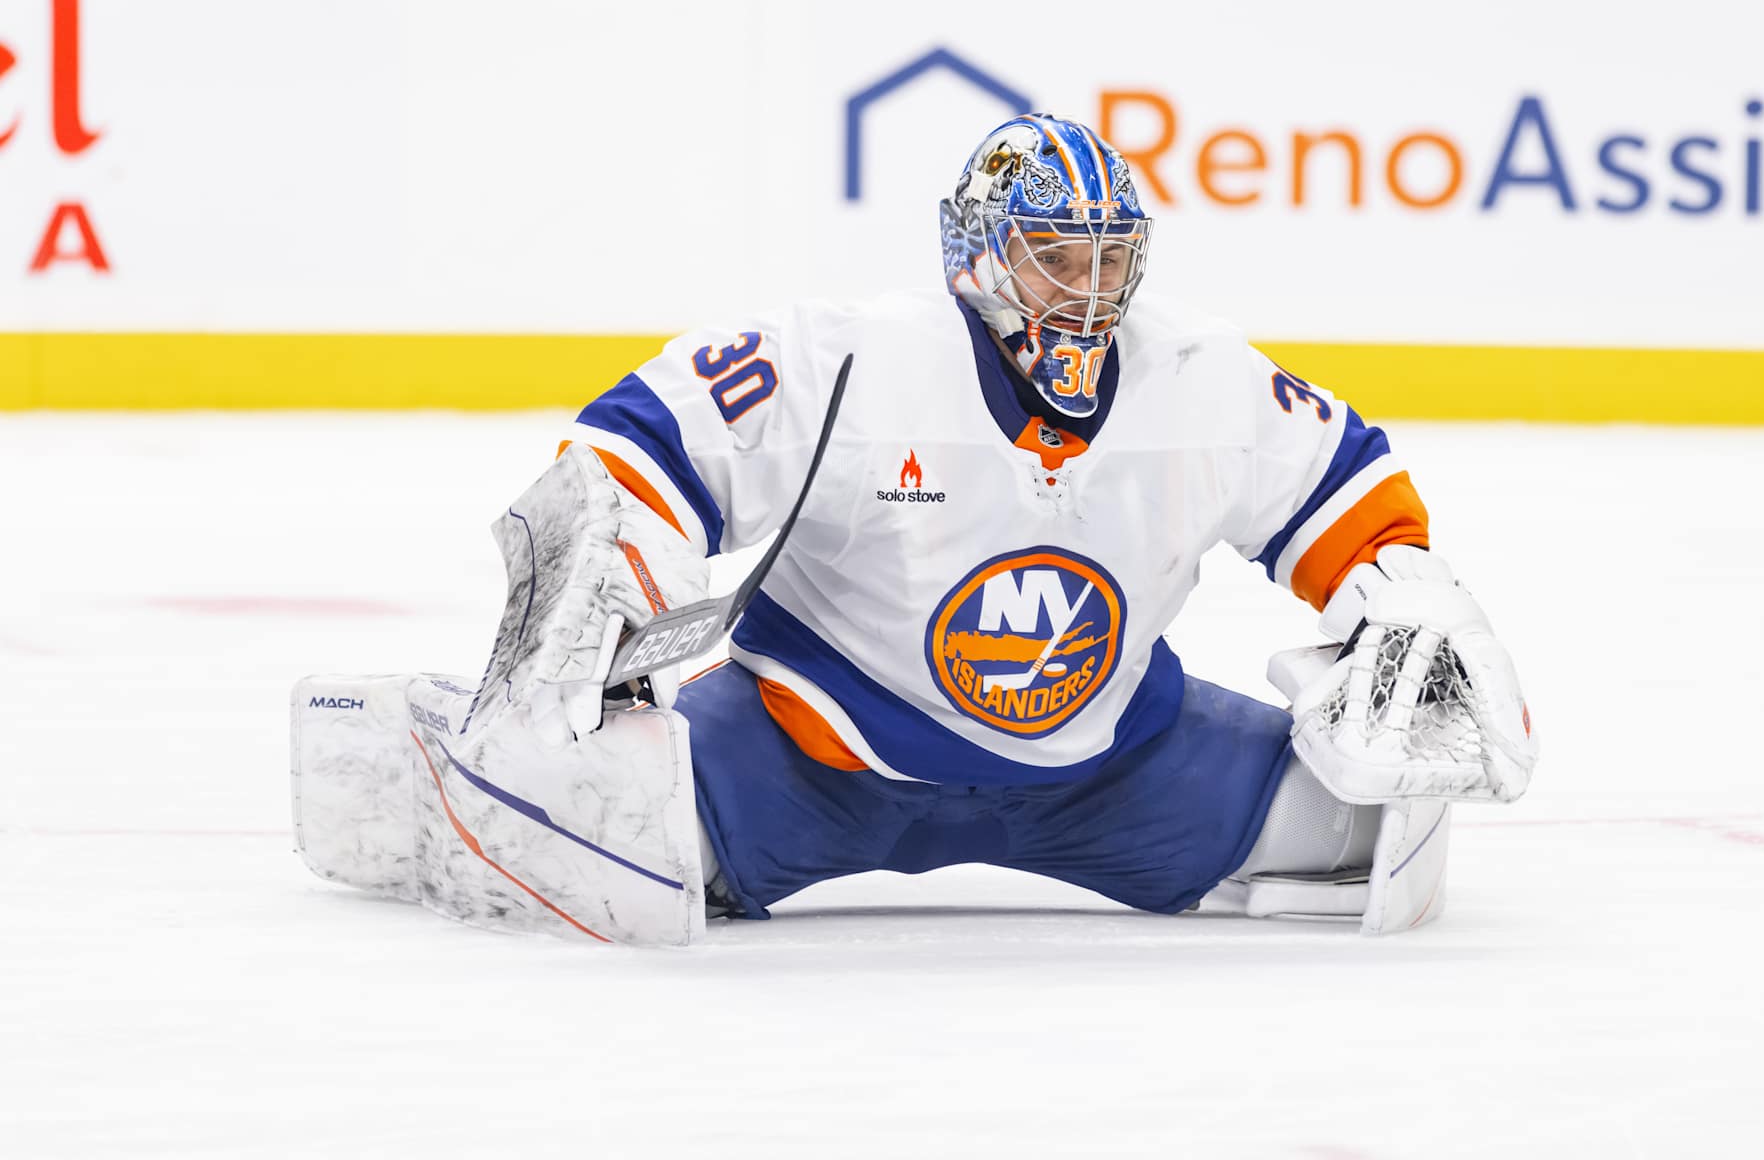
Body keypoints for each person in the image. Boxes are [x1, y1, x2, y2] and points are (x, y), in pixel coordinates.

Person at [291, 114, 1538, 944]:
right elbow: (638, 446)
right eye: (1057, 258)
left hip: (1110, 769)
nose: (1093, 294)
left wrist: (1403, 593)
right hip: (801, 765)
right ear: (979, 260)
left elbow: (1345, 491)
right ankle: (436, 740)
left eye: (1114, 261)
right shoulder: (846, 360)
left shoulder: (1201, 380)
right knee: (585, 838)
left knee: (1378, 842)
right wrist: (609, 578)